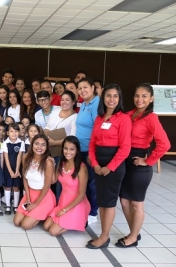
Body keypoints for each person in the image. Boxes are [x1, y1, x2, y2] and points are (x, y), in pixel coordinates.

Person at [117, 83, 170, 248]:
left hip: (139, 165)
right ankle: (134, 231)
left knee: (136, 203)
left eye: (144, 96)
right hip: (125, 162)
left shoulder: (151, 117)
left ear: (151, 98)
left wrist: (148, 161)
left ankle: (133, 237)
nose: (139, 99)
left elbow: (165, 144)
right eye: (137, 96)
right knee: (124, 201)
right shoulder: (129, 114)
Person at [87, 84, 131, 249]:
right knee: (101, 200)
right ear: (103, 98)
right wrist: (96, 163)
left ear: (119, 99)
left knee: (109, 202)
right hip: (98, 164)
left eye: (115, 96)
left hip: (114, 165)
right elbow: (92, 144)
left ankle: (104, 236)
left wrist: (109, 167)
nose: (111, 99)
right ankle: (103, 234)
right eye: (108, 96)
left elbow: (125, 148)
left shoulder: (124, 118)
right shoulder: (99, 118)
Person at [43, 136, 90, 236]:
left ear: (77, 150)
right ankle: (69, 220)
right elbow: (53, 181)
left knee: (53, 231)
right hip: (64, 201)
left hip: (76, 203)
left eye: (72, 149)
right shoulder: (61, 162)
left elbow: (81, 195)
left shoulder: (82, 168)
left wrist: (65, 210)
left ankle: (80, 221)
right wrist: (52, 164)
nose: (68, 152)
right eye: (65, 148)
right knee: (46, 226)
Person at [13, 134, 55, 230]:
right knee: (17, 222)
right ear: (32, 145)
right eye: (37, 144)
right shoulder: (26, 157)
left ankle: (43, 214)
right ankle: (34, 214)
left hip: (44, 197)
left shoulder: (48, 162)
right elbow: (25, 178)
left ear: (47, 147)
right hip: (30, 193)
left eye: (43, 145)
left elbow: (47, 185)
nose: (39, 147)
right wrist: (28, 197)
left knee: (25, 225)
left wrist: (36, 204)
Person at [75, 78, 100, 224]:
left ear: (92, 87)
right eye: (80, 88)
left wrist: (92, 152)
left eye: (85, 87)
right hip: (81, 150)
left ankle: (92, 212)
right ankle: (85, 208)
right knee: (83, 182)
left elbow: (97, 129)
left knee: (92, 183)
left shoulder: (96, 103)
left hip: (90, 151)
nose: (83, 90)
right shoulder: (84, 104)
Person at [2, 123, 25, 215]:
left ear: (19, 132)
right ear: (7, 133)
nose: (14, 133)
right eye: (11, 131)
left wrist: (17, 170)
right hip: (8, 168)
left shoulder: (21, 143)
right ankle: (8, 206)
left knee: (16, 187)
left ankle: (15, 206)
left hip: (17, 169)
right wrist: (11, 171)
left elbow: (19, 157)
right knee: (8, 187)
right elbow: (6, 159)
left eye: (16, 131)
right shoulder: (5, 143)